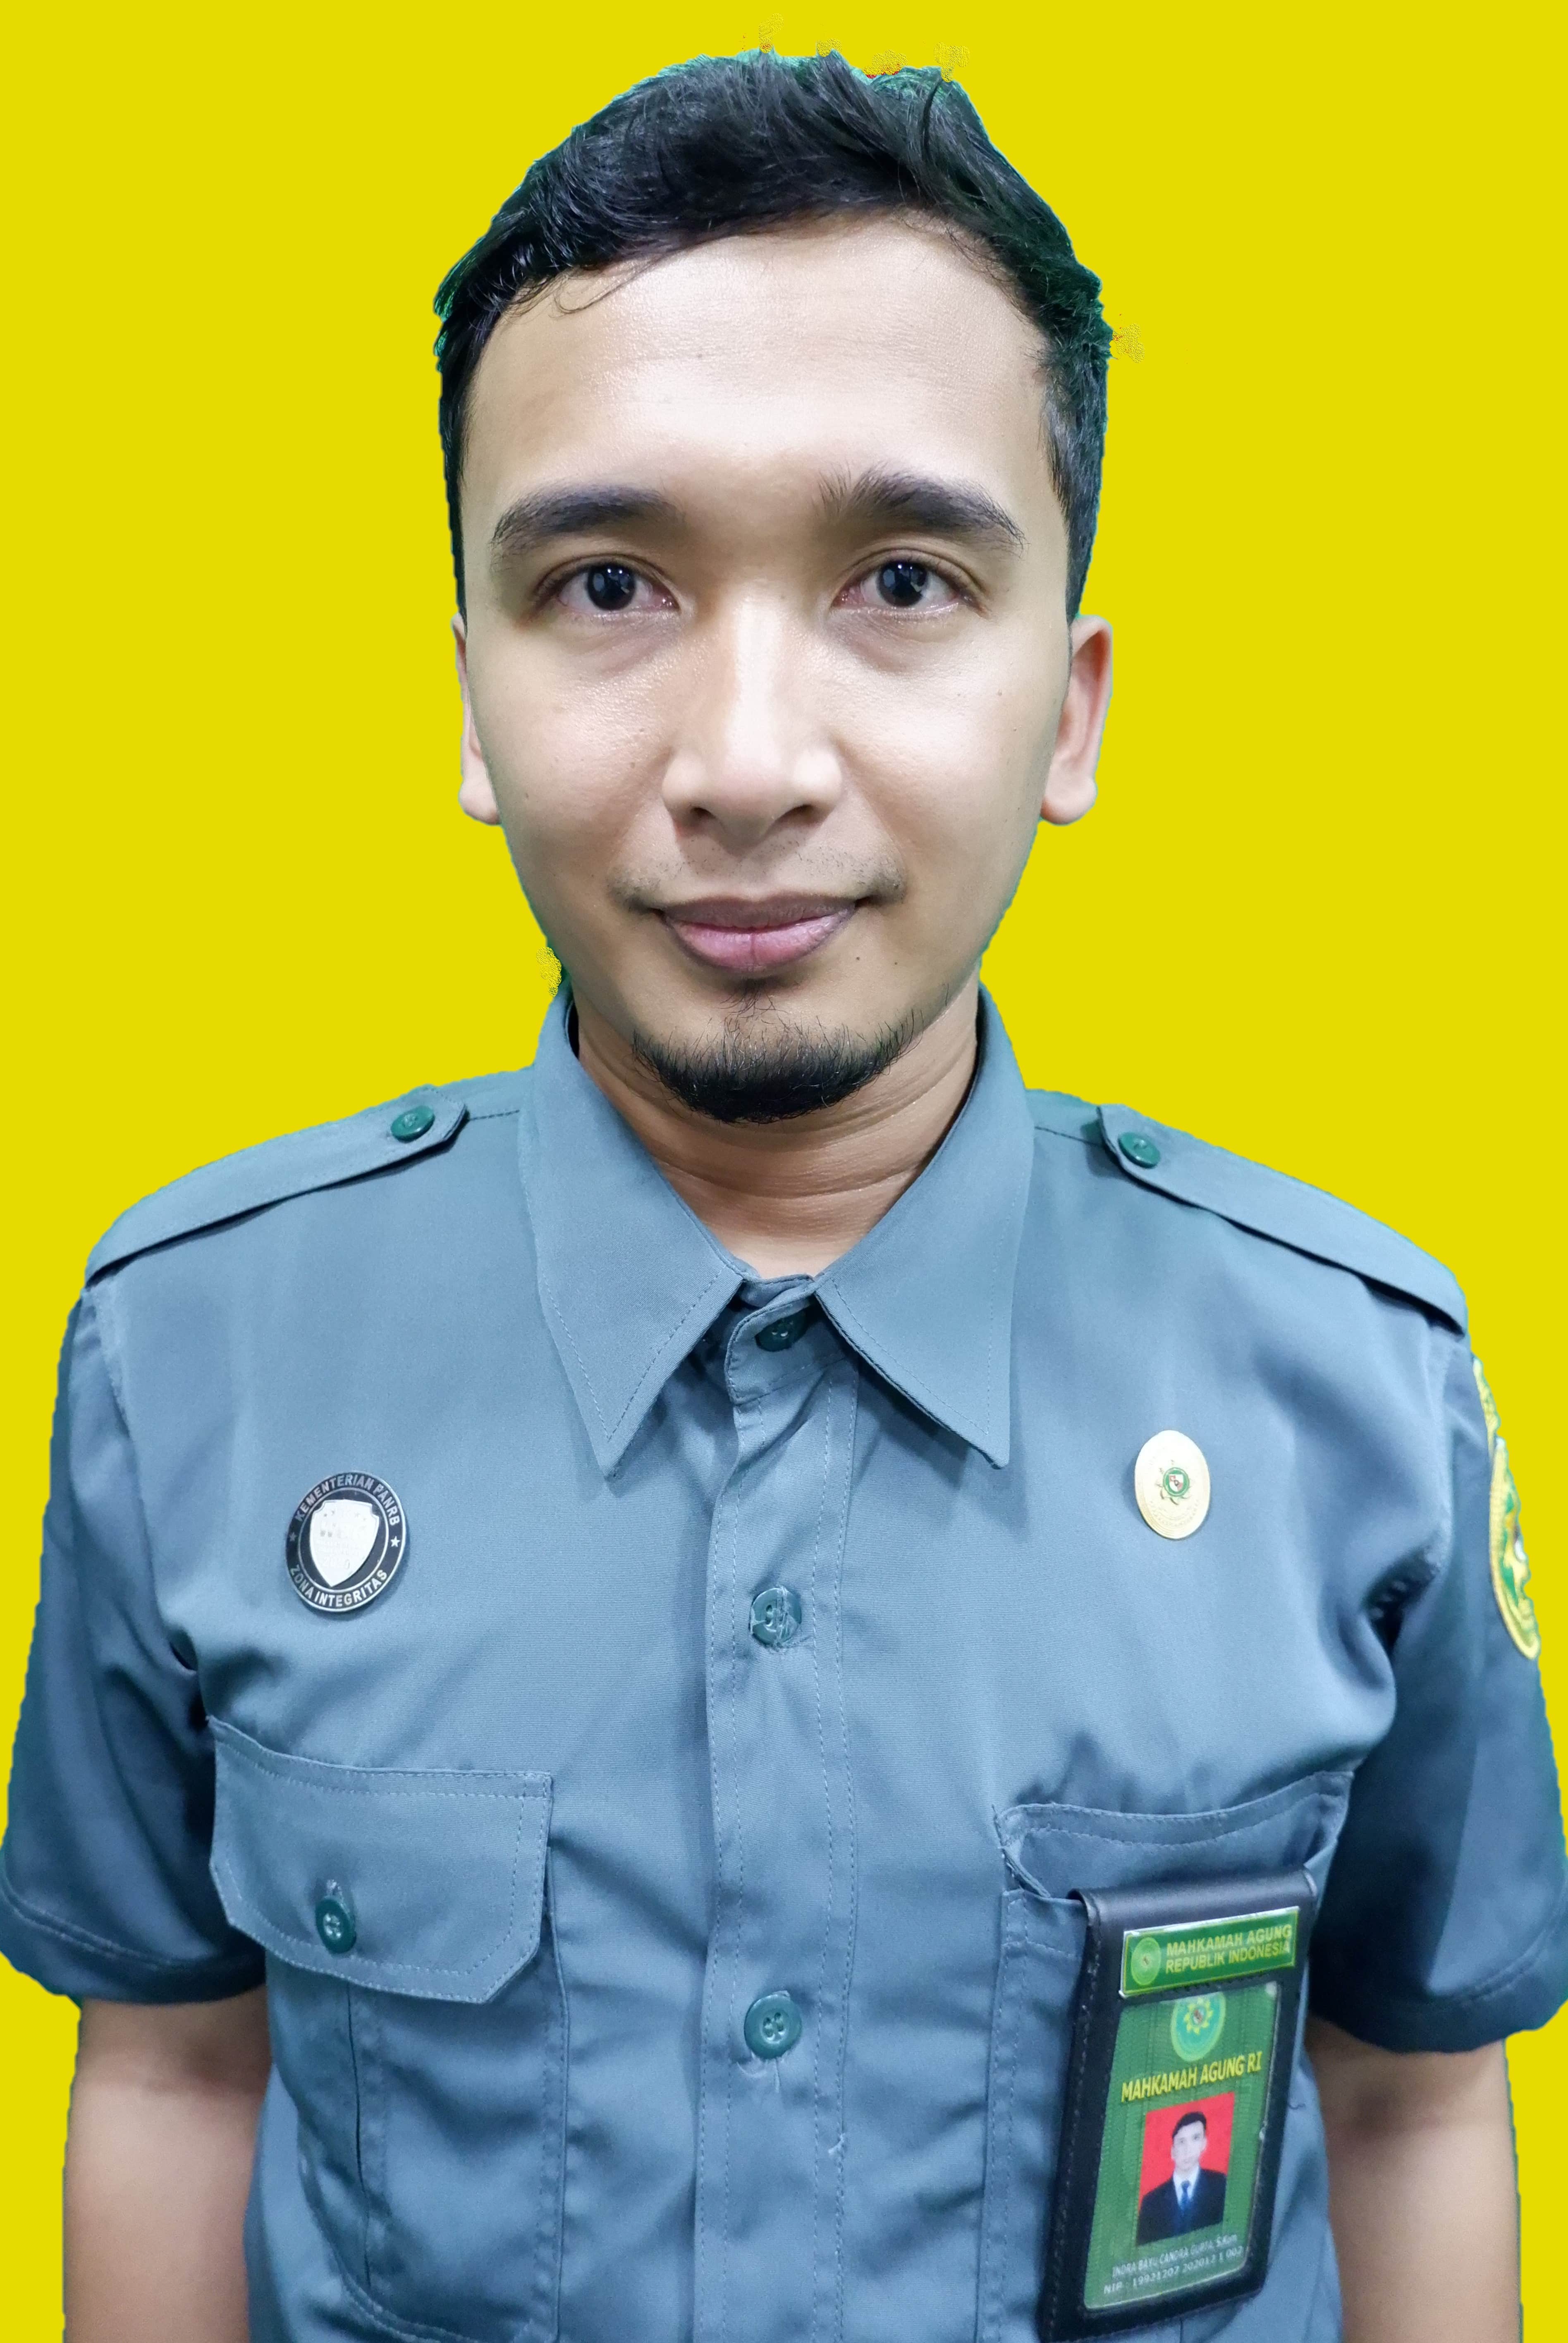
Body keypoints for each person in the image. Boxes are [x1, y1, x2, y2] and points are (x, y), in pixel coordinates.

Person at [0, 47, 1562, 2343]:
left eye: (901, 580)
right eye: (607, 585)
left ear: (1069, 704)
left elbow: (1413, 2092)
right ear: (470, 693)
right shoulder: (194, 1356)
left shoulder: (1352, 1393)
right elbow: (173, 2061)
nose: (745, 765)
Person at [1137, 2111, 1228, 2244]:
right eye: (1181, 2142)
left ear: (1204, 2144)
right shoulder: (1151, 2203)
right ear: (1173, 2151)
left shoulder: (1221, 2186)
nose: (1188, 2150)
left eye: (1195, 2138)